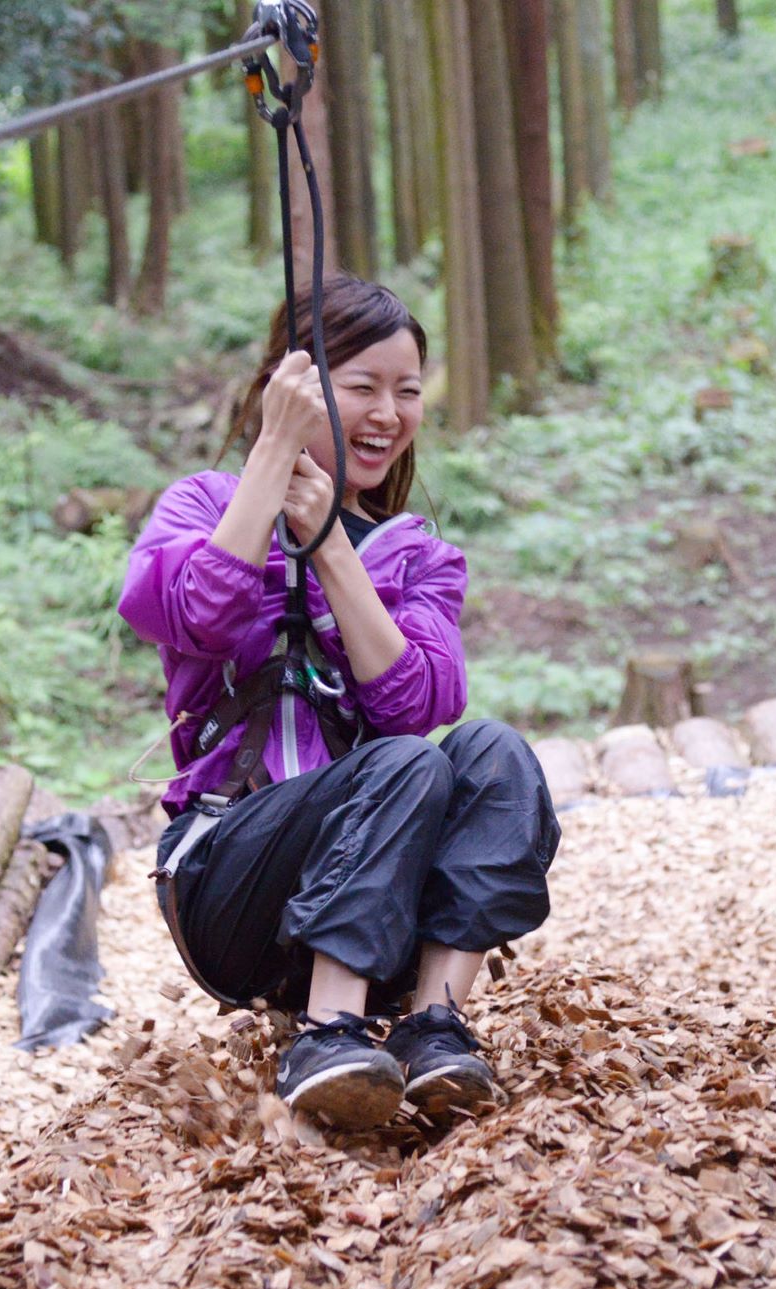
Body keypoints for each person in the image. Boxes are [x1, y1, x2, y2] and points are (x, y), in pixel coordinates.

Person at [118, 275, 560, 1131]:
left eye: (406, 391)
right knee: (397, 766)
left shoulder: (418, 555)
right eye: (360, 387)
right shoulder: (203, 507)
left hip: (382, 889)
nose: (387, 413)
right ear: (290, 389)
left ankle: (434, 1025)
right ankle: (326, 1036)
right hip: (233, 882)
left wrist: (331, 549)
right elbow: (196, 619)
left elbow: (415, 705)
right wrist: (270, 459)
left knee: (491, 753)